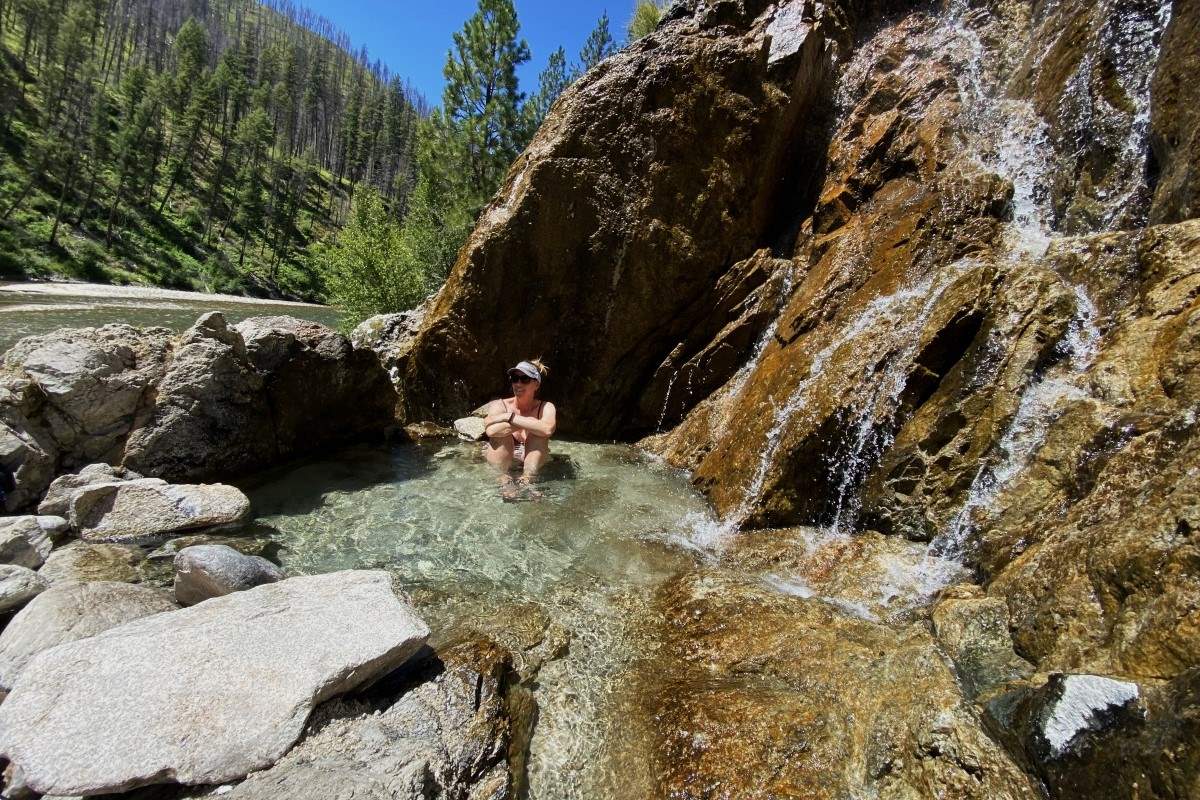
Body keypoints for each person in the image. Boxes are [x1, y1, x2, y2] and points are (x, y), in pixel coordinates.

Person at [483, 359, 557, 499]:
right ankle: (504, 480)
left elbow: (547, 430)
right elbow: (491, 431)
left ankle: (527, 480)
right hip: (504, 460)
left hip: (532, 461)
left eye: (524, 379)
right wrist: (532, 423)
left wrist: (510, 417)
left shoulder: (546, 407)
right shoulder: (500, 405)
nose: (518, 383)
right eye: (515, 378)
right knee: (501, 434)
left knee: (538, 435)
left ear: (536, 384)